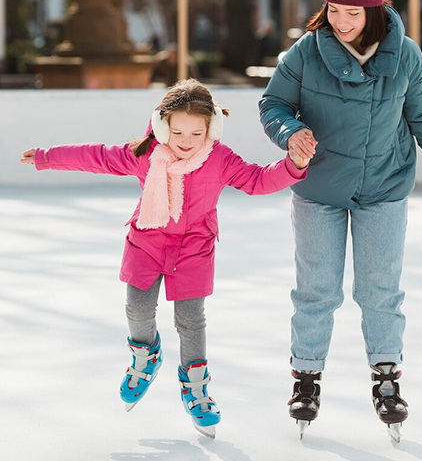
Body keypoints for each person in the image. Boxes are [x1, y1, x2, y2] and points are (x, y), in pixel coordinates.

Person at [20, 79, 309, 439]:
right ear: (162, 126)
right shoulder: (145, 153)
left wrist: (293, 164)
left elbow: (257, 180)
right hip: (147, 240)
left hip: (194, 247)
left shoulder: (219, 158)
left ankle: (196, 387)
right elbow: (97, 157)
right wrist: (47, 157)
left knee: (191, 320)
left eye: (196, 132)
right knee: (137, 309)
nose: (186, 141)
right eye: (177, 132)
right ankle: (146, 356)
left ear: (210, 129)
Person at [259, 0, 422, 441]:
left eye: (353, 12)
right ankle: (306, 377)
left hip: (384, 187)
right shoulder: (307, 52)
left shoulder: (407, 55)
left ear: (374, 10)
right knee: (316, 290)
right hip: (319, 189)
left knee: (380, 290)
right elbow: (272, 104)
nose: (342, 21)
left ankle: (386, 377)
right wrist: (290, 132)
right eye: (334, 10)